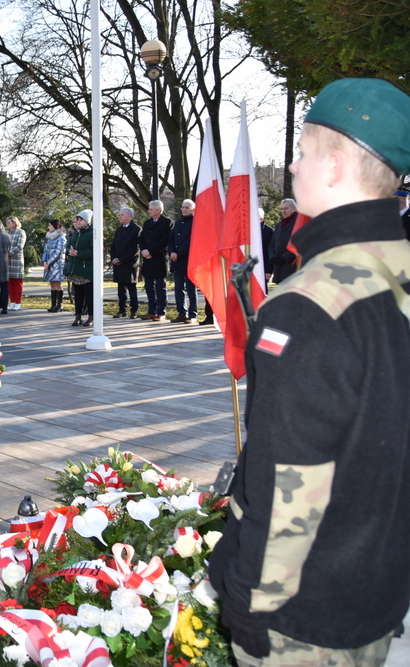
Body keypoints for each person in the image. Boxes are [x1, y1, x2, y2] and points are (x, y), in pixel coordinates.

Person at [209, 77, 410, 667]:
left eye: (302, 151)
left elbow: (289, 481)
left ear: (336, 164)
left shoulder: (308, 305)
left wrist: (248, 602)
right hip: (378, 590)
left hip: (307, 618)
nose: (292, 166)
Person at [139, 200, 173, 321]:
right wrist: (143, 250)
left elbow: (164, 241)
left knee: (160, 287)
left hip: (159, 259)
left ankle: (161, 312)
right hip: (147, 259)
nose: (148, 211)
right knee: (149, 286)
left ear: (158, 210)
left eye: (151, 209)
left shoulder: (167, 222)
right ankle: (151, 311)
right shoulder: (147, 223)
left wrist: (150, 251)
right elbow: (141, 238)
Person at [168, 199, 197, 323]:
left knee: (191, 289)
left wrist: (178, 254)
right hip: (177, 261)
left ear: (193, 209)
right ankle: (181, 312)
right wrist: (171, 252)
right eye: (183, 207)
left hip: (189, 260)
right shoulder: (178, 223)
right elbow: (171, 240)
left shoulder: (196, 223)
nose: (184, 209)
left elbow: (190, 242)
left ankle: (192, 314)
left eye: (187, 207)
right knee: (178, 288)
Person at [110, 207, 142, 318]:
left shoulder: (136, 229)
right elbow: (113, 246)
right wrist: (114, 258)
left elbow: (135, 248)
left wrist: (122, 260)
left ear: (130, 216)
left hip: (129, 264)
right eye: (120, 215)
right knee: (120, 289)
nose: (120, 216)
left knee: (131, 289)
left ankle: (134, 310)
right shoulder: (119, 229)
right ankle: (122, 309)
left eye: (122, 215)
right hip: (118, 264)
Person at [64, 210, 94, 327]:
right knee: (78, 295)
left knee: (89, 295)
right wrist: (69, 251)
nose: (78, 222)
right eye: (77, 220)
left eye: (81, 220)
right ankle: (78, 316)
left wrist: (79, 253)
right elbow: (67, 246)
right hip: (75, 268)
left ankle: (91, 317)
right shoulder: (75, 233)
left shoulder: (92, 233)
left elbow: (93, 251)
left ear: (87, 221)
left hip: (86, 270)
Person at [268, 198, 299, 284]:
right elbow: (272, 243)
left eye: (286, 208)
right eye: (282, 209)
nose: (283, 211)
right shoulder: (279, 225)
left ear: (294, 209)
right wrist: (273, 257)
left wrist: (285, 258)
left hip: (291, 268)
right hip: (279, 269)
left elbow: (299, 243)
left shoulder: (298, 223)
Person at [41, 219, 66, 312]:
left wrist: (49, 262)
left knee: (57, 283)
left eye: (50, 225)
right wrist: (44, 261)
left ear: (56, 226)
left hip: (57, 264)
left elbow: (58, 252)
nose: (49, 227)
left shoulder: (61, 238)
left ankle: (60, 305)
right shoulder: (49, 237)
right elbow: (45, 250)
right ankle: (53, 304)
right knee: (51, 283)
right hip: (48, 264)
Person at [5, 216, 27, 310]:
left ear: (14, 223)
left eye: (9, 222)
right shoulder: (5, 232)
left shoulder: (21, 232)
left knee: (17, 282)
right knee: (10, 282)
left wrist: (10, 253)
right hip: (7, 260)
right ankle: (12, 302)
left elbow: (20, 246)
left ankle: (18, 302)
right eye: (7, 222)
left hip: (17, 260)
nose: (8, 224)